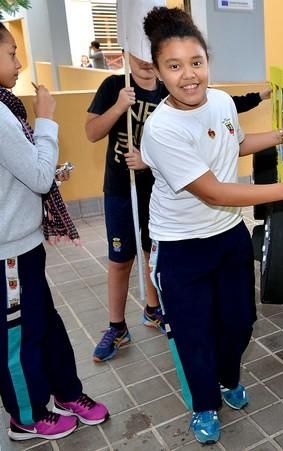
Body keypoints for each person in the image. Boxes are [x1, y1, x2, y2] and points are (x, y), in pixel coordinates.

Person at [140, 7, 283, 445]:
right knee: (195, 331)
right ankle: (204, 404)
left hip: (227, 236)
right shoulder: (160, 130)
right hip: (180, 247)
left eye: (196, 62)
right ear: (159, 72)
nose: (189, 75)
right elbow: (215, 191)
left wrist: (281, 134)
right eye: (174, 66)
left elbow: (234, 145)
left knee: (239, 321)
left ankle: (227, 377)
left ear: (207, 61)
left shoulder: (219, 102)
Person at [0, 23, 109, 442]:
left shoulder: (6, 106)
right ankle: (26, 417)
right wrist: (46, 121)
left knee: (44, 324)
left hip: (23, 245)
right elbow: (40, 177)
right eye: (12, 53)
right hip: (9, 252)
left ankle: (66, 393)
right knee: (19, 337)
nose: (20, 61)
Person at [86, 51, 167, 362]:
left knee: (152, 253)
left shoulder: (166, 89)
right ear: (125, 52)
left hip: (158, 189)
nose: (146, 60)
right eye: (139, 53)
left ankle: (152, 309)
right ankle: (117, 327)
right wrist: (120, 105)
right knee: (120, 260)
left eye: (152, 52)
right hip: (120, 189)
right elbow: (91, 132)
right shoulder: (112, 86)